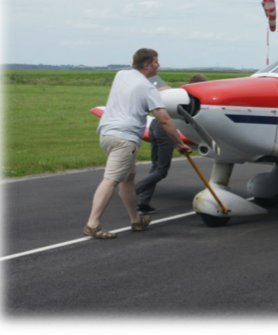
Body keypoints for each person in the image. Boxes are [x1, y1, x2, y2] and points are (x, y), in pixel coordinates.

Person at [83, 49, 191, 239]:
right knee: (111, 180)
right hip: (125, 139)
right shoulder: (148, 88)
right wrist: (179, 143)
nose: (159, 65)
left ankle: (136, 220)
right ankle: (93, 224)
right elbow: (164, 119)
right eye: (156, 62)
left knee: (128, 179)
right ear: (147, 65)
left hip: (107, 134)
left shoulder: (121, 75)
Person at [135, 74, 209, 215]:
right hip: (165, 129)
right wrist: (179, 143)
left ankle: (143, 204)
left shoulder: (179, 95)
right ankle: (133, 191)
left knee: (155, 167)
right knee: (161, 170)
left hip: (154, 125)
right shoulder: (195, 100)